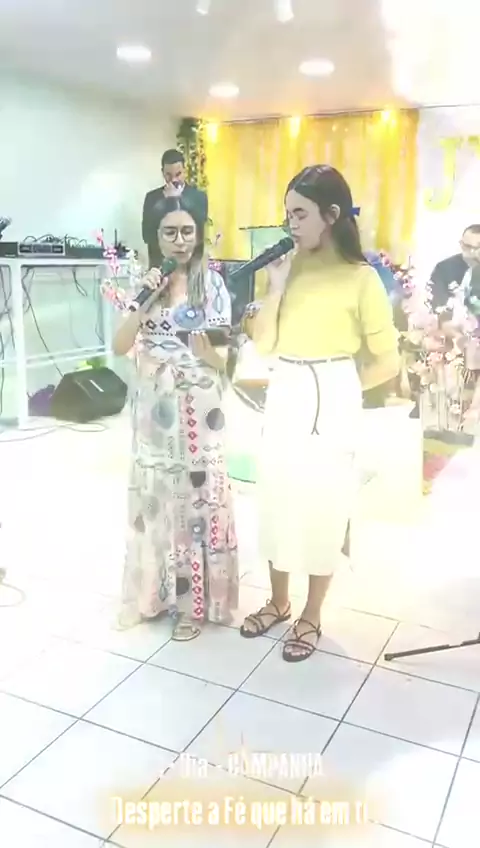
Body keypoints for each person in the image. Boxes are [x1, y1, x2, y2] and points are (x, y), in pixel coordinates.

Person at [240, 165, 399, 662]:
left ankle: (311, 613)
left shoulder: (362, 278)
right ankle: (278, 601)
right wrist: (275, 287)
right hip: (285, 386)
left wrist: (343, 390)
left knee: (322, 506)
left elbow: (388, 361)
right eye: (287, 213)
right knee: (276, 498)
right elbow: (264, 344)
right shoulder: (287, 269)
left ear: (332, 215)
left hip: (333, 392)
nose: (291, 223)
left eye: (300, 213)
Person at [114, 196, 238, 639]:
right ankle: (150, 595)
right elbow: (119, 345)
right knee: (155, 497)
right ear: (157, 237)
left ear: (199, 234)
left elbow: (223, 360)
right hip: (154, 404)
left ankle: (192, 605)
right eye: (170, 232)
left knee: (196, 501)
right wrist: (143, 303)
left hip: (199, 403)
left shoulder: (214, 286)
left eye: (187, 231)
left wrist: (203, 348)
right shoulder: (144, 283)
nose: (180, 240)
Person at [142, 149, 209, 266]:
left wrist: (179, 199)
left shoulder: (199, 197)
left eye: (178, 174)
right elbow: (146, 235)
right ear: (162, 172)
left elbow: (200, 232)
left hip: (191, 265)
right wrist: (164, 203)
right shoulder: (152, 198)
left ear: (185, 171)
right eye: (168, 175)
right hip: (160, 264)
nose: (174, 180)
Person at [429, 224, 480, 311]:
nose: (472, 252)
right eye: (468, 247)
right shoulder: (444, 268)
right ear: (461, 244)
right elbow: (436, 301)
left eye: (477, 248)